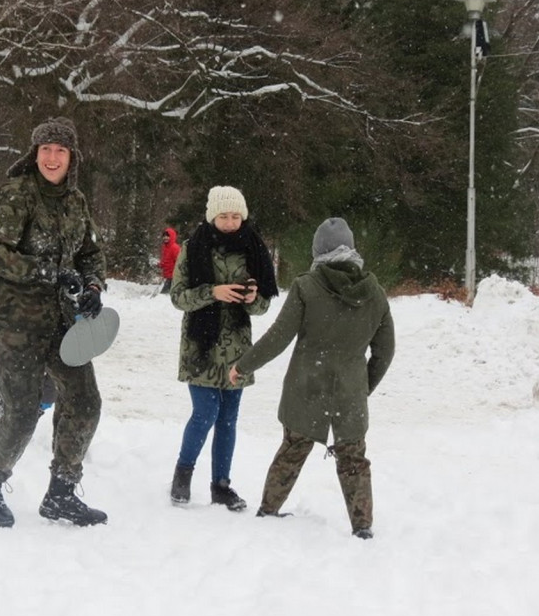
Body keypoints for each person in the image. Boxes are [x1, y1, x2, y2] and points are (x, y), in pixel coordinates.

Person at [0, 116, 108, 528]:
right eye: (45, 149)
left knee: (85, 402)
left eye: (60, 150)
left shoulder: (76, 202)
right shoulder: (16, 195)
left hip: (63, 324)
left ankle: (61, 493)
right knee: (22, 412)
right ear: (35, 154)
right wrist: (47, 271)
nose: (52, 157)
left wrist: (92, 285)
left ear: (72, 157)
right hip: (16, 322)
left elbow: (90, 253)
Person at [229, 217, 395, 539]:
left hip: (306, 387)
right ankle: (362, 527)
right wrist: (363, 387)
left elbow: (278, 337)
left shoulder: (307, 286)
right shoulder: (374, 293)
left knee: (292, 450)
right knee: (354, 459)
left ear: (318, 252)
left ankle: (268, 510)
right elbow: (385, 351)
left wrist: (243, 366)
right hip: (349, 393)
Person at [169, 186, 278, 511]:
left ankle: (221, 485)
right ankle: (183, 473)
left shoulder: (253, 249)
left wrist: (251, 299)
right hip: (200, 346)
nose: (230, 222)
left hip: (237, 348)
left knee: (228, 418)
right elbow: (178, 297)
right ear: (212, 217)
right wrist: (212, 292)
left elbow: (262, 306)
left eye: (235, 216)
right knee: (205, 412)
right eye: (223, 216)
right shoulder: (192, 247)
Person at [158, 227, 180, 294]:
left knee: (163, 294)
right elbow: (166, 259)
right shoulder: (165, 247)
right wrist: (161, 264)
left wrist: (176, 274)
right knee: (166, 294)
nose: (165, 238)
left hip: (173, 276)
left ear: (172, 236)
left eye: (167, 236)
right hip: (168, 275)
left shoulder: (175, 248)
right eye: (164, 236)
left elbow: (179, 262)